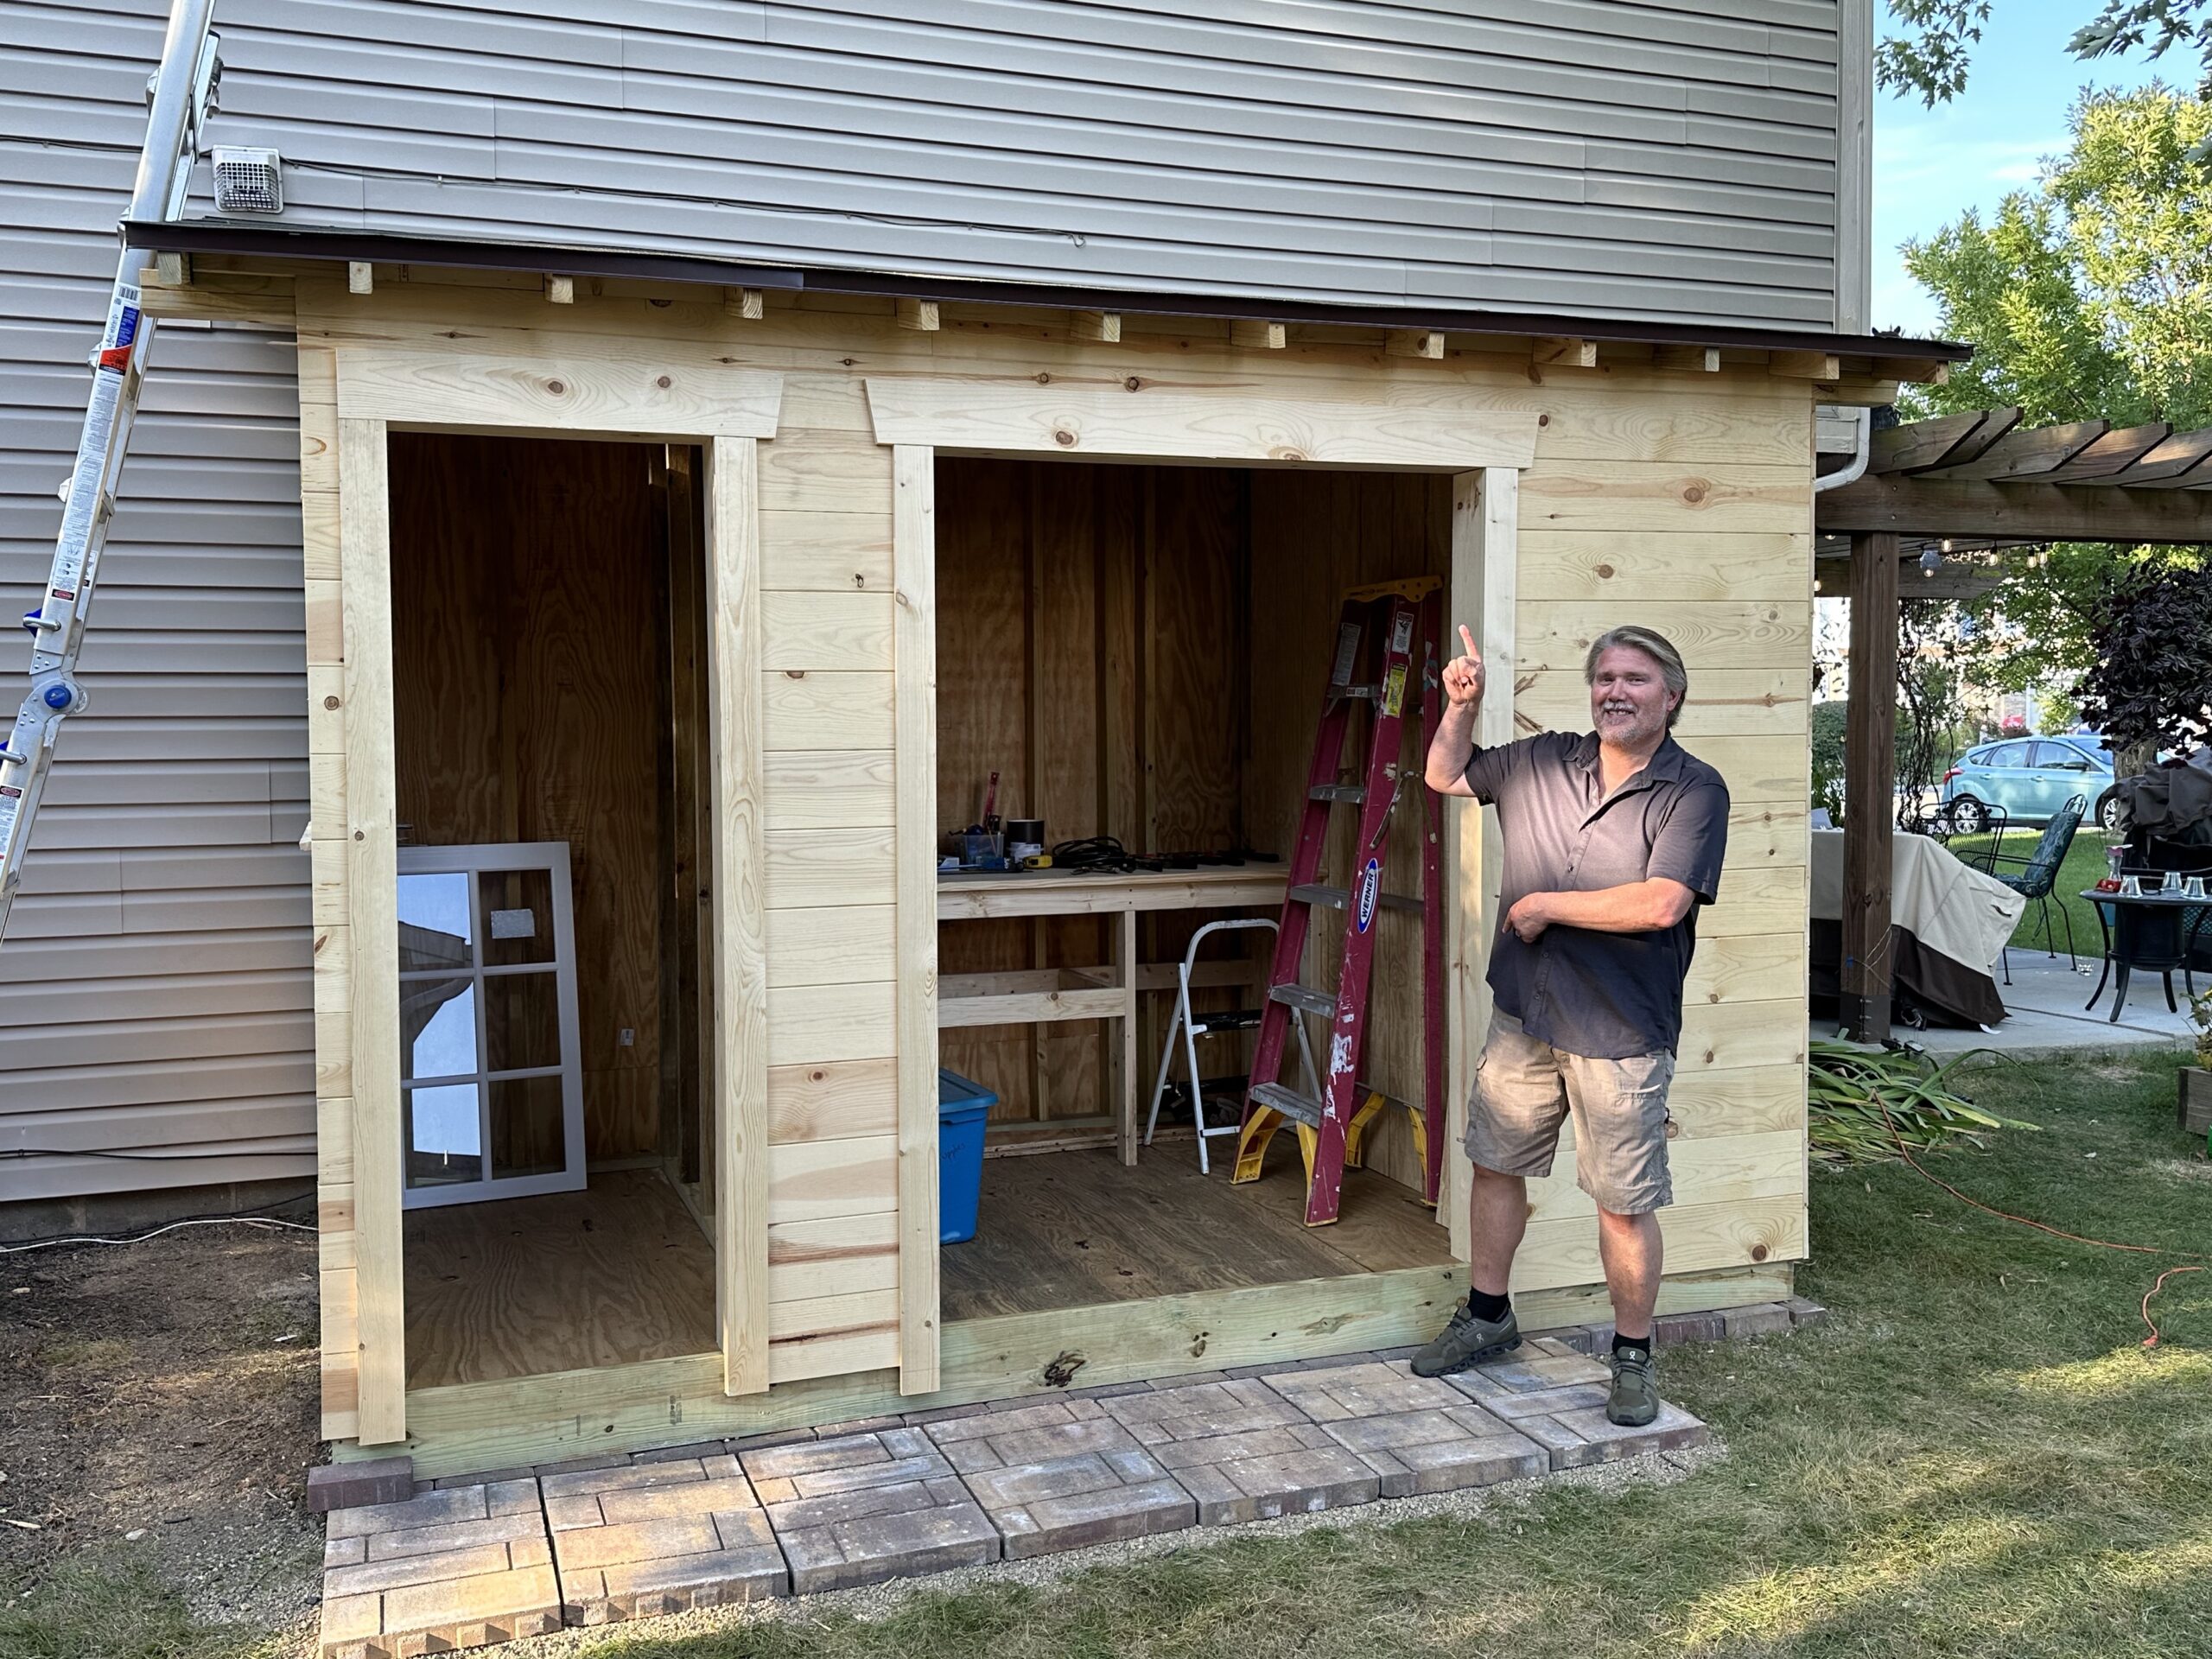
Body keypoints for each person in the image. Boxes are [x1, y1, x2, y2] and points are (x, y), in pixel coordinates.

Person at [1408, 623, 1728, 1427]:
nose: (1615, 691)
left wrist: (1543, 905)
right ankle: (1488, 1317)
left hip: (1620, 1031)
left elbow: (1661, 903)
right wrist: (1461, 705)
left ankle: (1632, 1356)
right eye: (1605, 678)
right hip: (1525, 1011)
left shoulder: (1694, 790)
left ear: (1673, 696)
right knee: (1495, 1163)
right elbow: (1444, 775)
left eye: (1636, 679)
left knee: (1621, 1201)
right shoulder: (1541, 759)